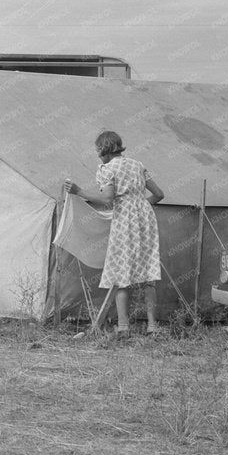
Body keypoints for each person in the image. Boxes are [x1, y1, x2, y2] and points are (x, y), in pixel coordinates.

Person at [65, 130, 167, 337]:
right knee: (148, 272)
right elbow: (159, 194)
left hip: (125, 221)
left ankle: (123, 327)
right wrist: (140, 206)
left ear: (105, 149)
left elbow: (107, 199)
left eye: (98, 150)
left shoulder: (107, 169)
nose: (97, 155)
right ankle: (152, 326)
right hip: (146, 220)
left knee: (121, 271)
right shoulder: (138, 165)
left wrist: (78, 191)